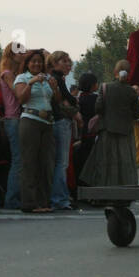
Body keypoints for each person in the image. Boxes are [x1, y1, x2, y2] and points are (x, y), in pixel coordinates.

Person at [79, 60, 139, 189]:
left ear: (115, 72)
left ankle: (104, 191)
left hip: (107, 130)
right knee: (125, 163)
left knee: (106, 162)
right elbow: (136, 114)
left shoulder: (105, 87)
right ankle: (125, 190)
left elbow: (98, 108)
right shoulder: (132, 91)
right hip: (125, 132)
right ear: (128, 74)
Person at [14, 49, 59, 212]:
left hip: (47, 122)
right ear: (27, 64)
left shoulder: (46, 79)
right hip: (30, 121)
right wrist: (31, 82)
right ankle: (29, 203)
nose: (37, 64)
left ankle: (43, 202)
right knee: (30, 162)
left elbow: (56, 101)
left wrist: (55, 88)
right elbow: (21, 99)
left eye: (39, 62)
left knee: (46, 164)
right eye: (33, 61)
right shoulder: (22, 78)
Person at [46, 51, 78, 211]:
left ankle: (59, 196)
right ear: (54, 63)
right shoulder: (56, 79)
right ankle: (60, 198)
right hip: (60, 121)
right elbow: (66, 100)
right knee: (62, 162)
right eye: (64, 61)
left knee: (59, 162)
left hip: (57, 121)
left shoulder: (57, 78)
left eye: (69, 61)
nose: (68, 64)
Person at [0, 45, 26, 210]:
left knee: (19, 159)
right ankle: (12, 198)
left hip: (16, 118)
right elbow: (18, 94)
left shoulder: (14, 73)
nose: (23, 55)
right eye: (20, 52)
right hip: (13, 118)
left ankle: (15, 196)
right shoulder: (8, 74)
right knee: (18, 160)